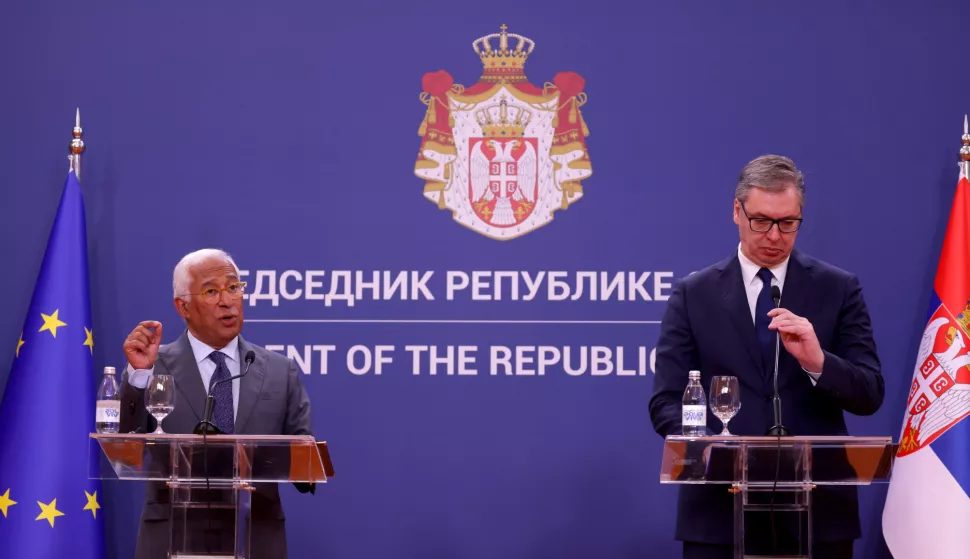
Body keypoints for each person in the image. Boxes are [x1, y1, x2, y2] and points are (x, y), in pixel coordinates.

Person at [649, 155, 884, 559]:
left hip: (819, 517)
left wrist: (817, 362)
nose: (774, 235)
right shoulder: (694, 294)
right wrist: (705, 444)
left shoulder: (838, 289)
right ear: (736, 212)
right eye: (761, 220)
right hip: (719, 514)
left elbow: (869, 393)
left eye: (787, 223)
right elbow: (666, 400)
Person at [119, 248, 314, 559]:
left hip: (255, 540)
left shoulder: (280, 371)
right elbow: (124, 444)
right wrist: (139, 375)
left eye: (234, 287)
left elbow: (304, 463)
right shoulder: (154, 365)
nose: (228, 301)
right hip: (172, 539)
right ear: (183, 307)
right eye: (212, 291)